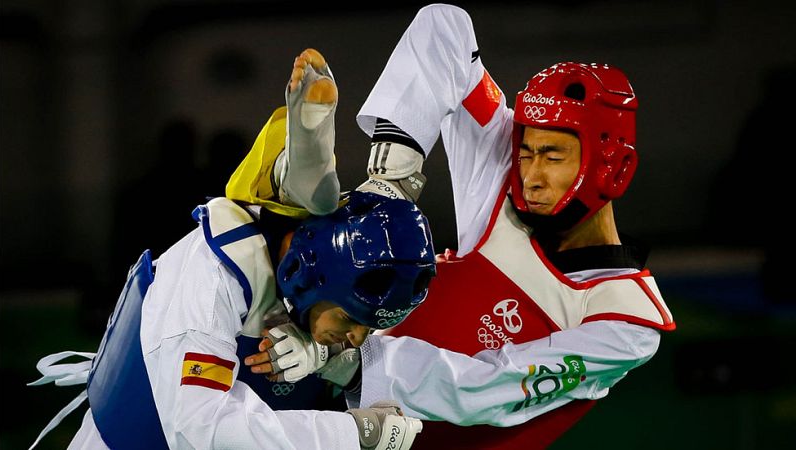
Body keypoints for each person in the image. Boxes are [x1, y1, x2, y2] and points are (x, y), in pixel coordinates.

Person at [258, 5, 676, 449]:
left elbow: (490, 387)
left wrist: (345, 364)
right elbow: (444, 26)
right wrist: (391, 179)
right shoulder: (508, 181)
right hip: (331, 416)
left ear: (613, 166)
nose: (531, 176)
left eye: (553, 157)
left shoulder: (629, 318)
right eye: (525, 152)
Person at [29, 49, 433, 450]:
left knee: (319, 203)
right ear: (309, 275)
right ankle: (307, 139)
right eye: (349, 319)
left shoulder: (321, 268)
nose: (358, 337)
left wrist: (326, 362)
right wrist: (352, 434)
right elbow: (199, 431)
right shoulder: (211, 281)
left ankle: (307, 138)